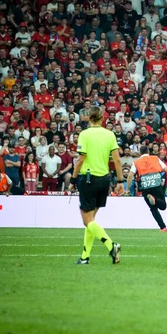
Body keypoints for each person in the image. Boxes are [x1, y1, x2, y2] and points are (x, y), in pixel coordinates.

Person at [69, 106, 124, 265]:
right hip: (104, 179)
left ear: (88, 118)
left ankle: (111, 245)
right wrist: (120, 182)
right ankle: (85, 257)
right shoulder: (109, 134)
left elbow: (80, 159)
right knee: (91, 221)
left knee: (87, 221)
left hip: (88, 179)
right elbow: (117, 160)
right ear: (102, 118)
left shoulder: (84, 134)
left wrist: (72, 181)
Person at [126, 145, 167, 231]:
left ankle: (163, 227)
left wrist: (128, 189)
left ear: (140, 153)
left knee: (153, 208)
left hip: (145, 186)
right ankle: (155, 200)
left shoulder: (136, 162)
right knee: (163, 206)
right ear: (148, 151)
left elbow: (130, 176)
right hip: (156, 183)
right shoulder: (155, 158)